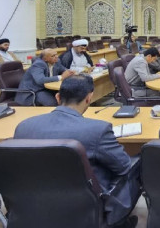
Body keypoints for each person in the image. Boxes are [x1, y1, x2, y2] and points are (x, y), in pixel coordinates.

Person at [14, 75, 141, 228]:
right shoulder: (98, 129)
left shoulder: (23, 127)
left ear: (57, 97)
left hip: (34, 204)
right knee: (137, 164)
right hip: (86, 208)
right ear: (89, 98)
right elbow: (124, 166)